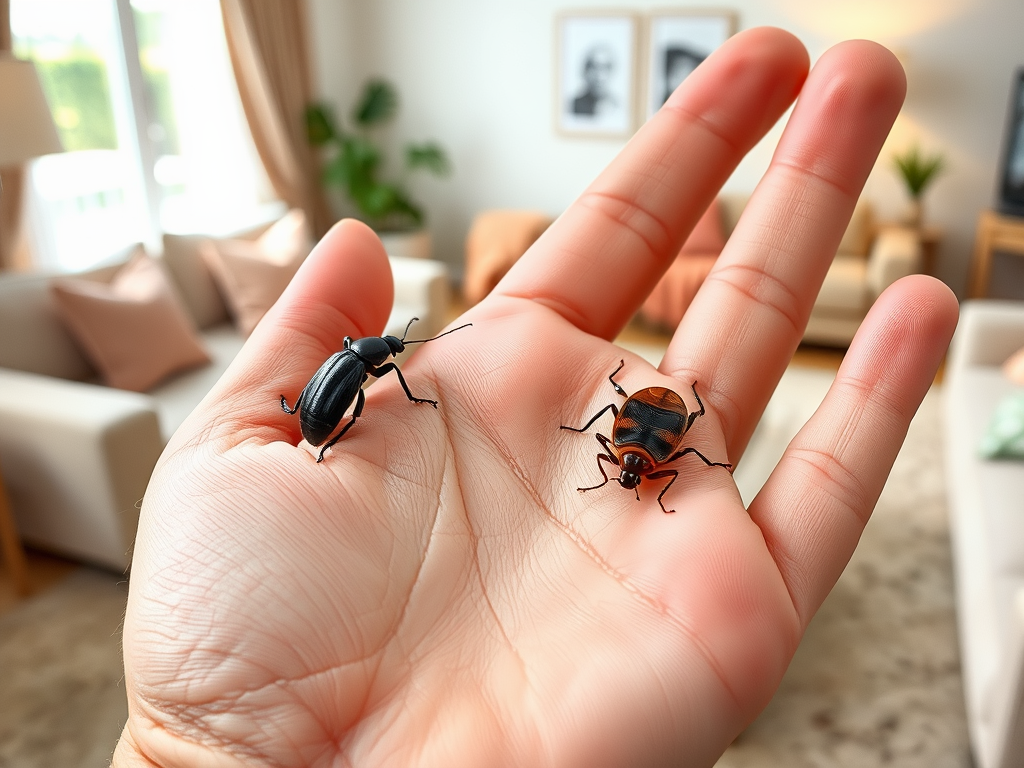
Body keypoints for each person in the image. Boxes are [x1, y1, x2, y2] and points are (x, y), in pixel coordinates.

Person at [113, 27, 957, 767]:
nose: (629, 478)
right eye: (630, 474)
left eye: (629, 475)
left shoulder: (644, 458)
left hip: (644, 408)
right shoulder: (643, 458)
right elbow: (666, 445)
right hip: (641, 409)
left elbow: (670, 446)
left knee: (682, 441)